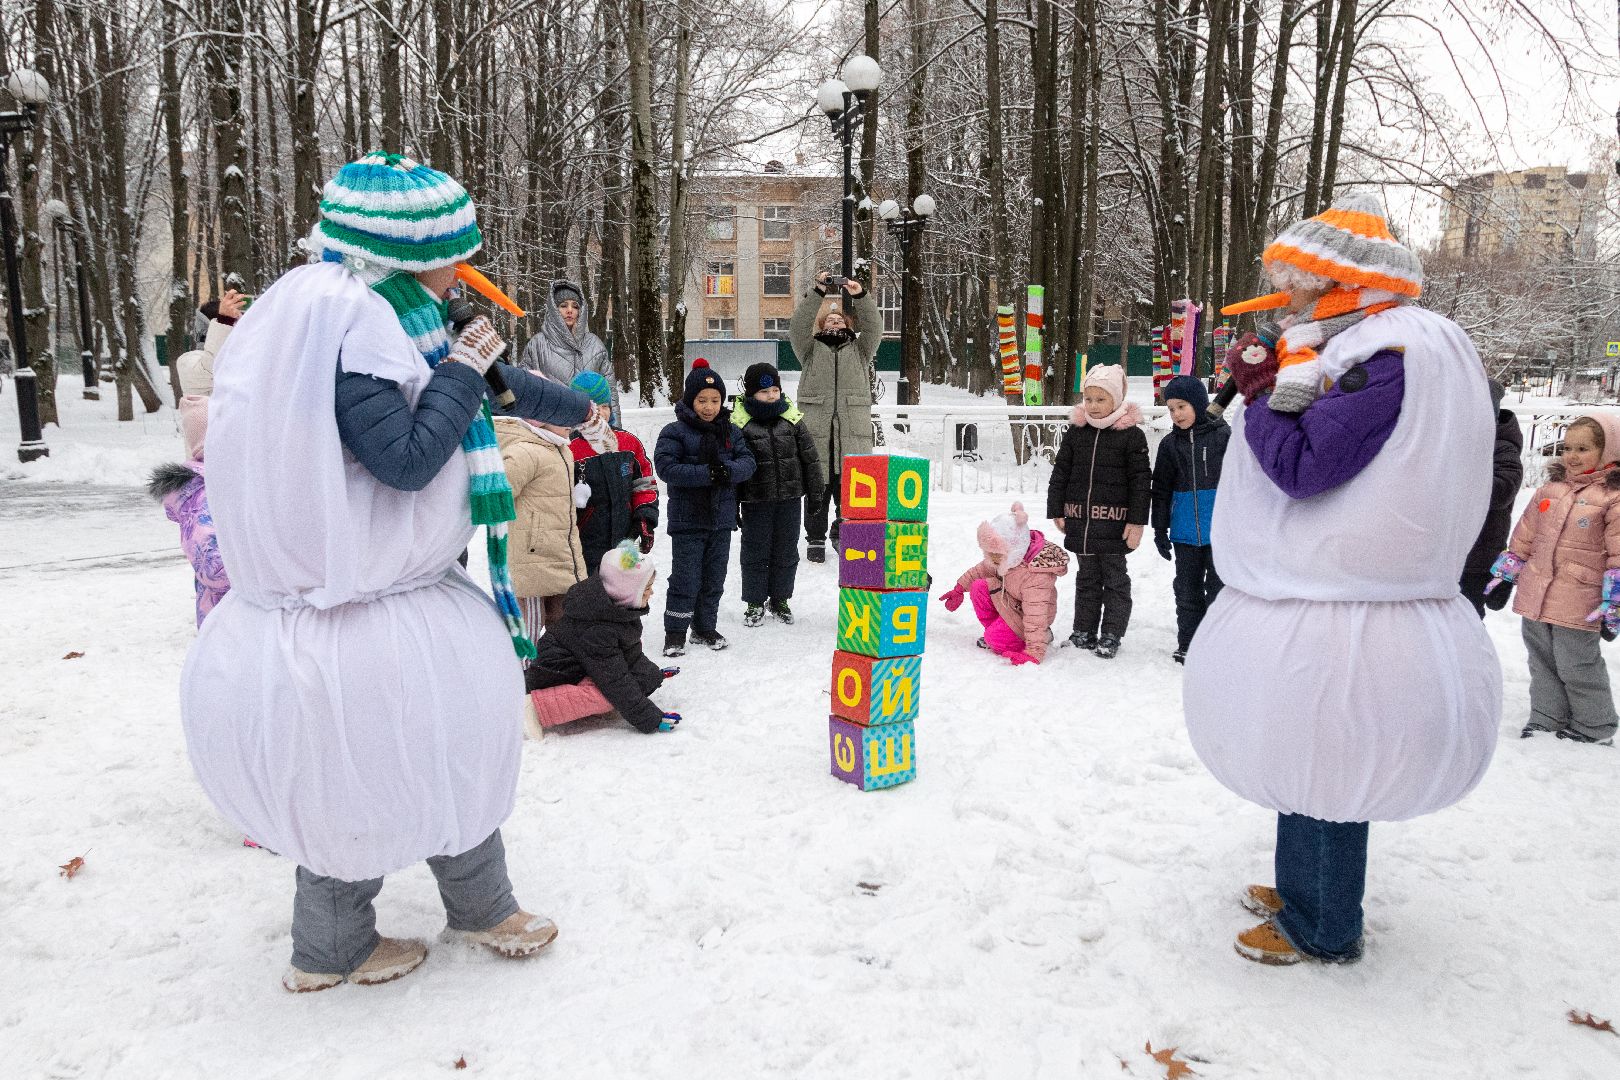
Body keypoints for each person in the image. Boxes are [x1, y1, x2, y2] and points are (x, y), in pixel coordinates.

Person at [180, 151, 600, 992]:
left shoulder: (388, 312)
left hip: (393, 607)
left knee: (444, 754)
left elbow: (496, 388)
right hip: (355, 619)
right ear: (414, 254)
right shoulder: (354, 328)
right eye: (457, 254)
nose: (466, 273)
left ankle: (467, 909)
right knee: (360, 776)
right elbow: (406, 458)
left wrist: (576, 406)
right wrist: (463, 369)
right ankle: (338, 943)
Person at [1182, 192, 1501, 966]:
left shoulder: (1384, 360)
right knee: (1309, 765)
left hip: (1352, 619)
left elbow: (1304, 465)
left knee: (1331, 770)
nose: (1290, 306)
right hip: (1328, 606)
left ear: (1341, 287)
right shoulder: (1369, 351)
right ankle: (1302, 891)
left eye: (1301, 289)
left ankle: (1322, 923)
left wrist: (1259, 394)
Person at [1486, 411, 1620, 746]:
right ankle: (1547, 717)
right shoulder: (1549, 490)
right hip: (1536, 591)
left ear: (1608, 452)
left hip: (1581, 599)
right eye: (1568, 448)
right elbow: (1524, 537)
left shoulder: (1613, 499)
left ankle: (1595, 725)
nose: (1572, 456)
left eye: (1583, 449)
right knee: (1541, 659)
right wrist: (1505, 576)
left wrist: (1614, 602)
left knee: (1578, 663)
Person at [1046, 364, 1151, 659]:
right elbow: (1061, 472)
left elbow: (1141, 483)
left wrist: (1137, 522)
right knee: (1087, 577)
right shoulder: (1077, 432)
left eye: (1100, 399)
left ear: (1116, 400)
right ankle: (1084, 629)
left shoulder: (1132, 436)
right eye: (1088, 398)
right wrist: (1057, 508)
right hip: (1081, 521)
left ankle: (1111, 633)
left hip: (1115, 525)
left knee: (1115, 579)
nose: (1093, 405)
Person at [524, 541, 682, 734]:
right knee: (603, 694)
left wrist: (651, 674)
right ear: (626, 591)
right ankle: (535, 708)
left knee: (636, 680)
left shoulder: (614, 611)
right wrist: (650, 718)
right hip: (552, 677)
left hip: (582, 668)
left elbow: (628, 652)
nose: (652, 593)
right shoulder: (597, 629)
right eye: (646, 588)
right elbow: (615, 681)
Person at [655, 359, 756, 656]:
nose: (709, 407)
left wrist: (726, 471)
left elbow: (748, 462)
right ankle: (675, 633)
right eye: (702, 400)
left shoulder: (731, 431)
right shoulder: (675, 431)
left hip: (721, 519)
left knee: (714, 578)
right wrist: (707, 474)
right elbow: (666, 467)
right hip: (688, 520)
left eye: (715, 400)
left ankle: (704, 626)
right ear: (690, 400)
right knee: (685, 578)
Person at [792, 271, 881, 563]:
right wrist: (818, 291)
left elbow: (874, 328)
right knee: (817, 488)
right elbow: (797, 327)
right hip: (817, 431)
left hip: (851, 432)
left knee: (850, 489)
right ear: (821, 324)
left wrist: (860, 295)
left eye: (840, 319)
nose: (835, 321)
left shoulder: (859, 350)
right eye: (830, 319)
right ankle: (815, 538)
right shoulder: (809, 350)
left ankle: (846, 533)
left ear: (848, 325)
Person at [730, 362, 823, 626]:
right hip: (756, 501)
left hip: (790, 499)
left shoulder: (792, 419)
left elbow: (810, 459)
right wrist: (732, 503)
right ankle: (754, 602)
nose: (771, 396)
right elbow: (734, 466)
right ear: (751, 394)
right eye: (764, 392)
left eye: (774, 390)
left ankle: (780, 599)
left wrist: (815, 493)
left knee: (786, 551)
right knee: (755, 552)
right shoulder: (740, 424)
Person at [1150, 373, 1230, 663]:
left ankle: (1217, 644)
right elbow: (1160, 490)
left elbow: (1240, 484)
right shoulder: (1170, 445)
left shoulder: (1223, 436)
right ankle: (1189, 644)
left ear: (1197, 402)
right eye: (1171, 409)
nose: (1176, 414)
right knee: (1186, 591)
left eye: (1181, 406)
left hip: (1221, 532)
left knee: (1219, 591)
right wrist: (1160, 529)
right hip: (1184, 533)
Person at [939, 501, 1069, 664]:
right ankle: (1001, 632)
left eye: (996, 554)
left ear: (1014, 547)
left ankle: (1034, 637)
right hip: (1014, 605)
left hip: (1032, 615)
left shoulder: (1036, 576)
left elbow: (1036, 614)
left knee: (994, 639)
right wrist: (958, 589)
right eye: (990, 553)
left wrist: (1034, 651)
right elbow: (980, 570)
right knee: (979, 586)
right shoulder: (1005, 557)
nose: (992, 558)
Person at [494, 414, 587, 639]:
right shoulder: (525, 451)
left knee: (566, 627)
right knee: (529, 628)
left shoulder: (560, 448)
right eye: (560, 415)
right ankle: (523, 672)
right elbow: (497, 495)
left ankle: (558, 671)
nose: (569, 422)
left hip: (559, 554)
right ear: (539, 419)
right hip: (532, 559)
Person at [567, 370, 659, 568]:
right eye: (593, 408)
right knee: (592, 595)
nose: (601, 413)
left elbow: (644, 485)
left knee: (627, 593)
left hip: (624, 541)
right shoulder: (569, 448)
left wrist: (645, 518)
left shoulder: (628, 443)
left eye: (605, 406)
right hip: (586, 546)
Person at [1459, 380, 1524, 617]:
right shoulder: (1454, 444)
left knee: (1469, 617)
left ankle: (1472, 653)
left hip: (1479, 554)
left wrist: (1454, 482)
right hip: (1448, 551)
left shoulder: (1503, 448)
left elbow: (1503, 490)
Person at [518, 279, 619, 424]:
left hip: (594, 431)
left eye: (575, 306)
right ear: (553, 309)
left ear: (581, 311)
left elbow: (611, 395)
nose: (570, 310)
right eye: (563, 305)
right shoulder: (537, 345)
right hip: (553, 430)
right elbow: (526, 390)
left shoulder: (595, 344)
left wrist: (616, 431)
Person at [174, 289, 245, 460]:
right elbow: (212, 370)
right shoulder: (189, 361)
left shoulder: (244, 365)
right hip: (208, 474)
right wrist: (225, 321)